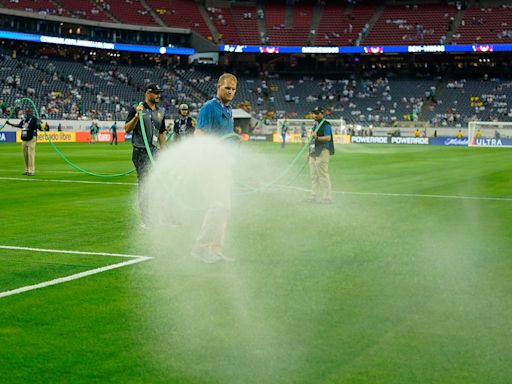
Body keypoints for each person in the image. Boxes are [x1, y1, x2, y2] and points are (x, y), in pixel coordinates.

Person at [192, 73, 238, 263]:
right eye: (227, 87)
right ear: (218, 86)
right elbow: (199, 133)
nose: (230, 91)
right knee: (217, 206)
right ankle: (201, 249)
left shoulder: (228, 109)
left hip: (224, 164)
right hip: (212, 164)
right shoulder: (209, 107)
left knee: (224, 208)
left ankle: (215, 249)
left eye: (233, 89)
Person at [124, 83, 167, 228]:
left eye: (159, 92)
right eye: (155, 93)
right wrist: (136, 116)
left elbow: (161, 132)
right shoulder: (137, 108)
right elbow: (127, 129)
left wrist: (165, 151)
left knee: (158, 183)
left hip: (154, 151)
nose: (158, 95)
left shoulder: (160, 111)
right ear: (147, 93)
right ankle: (146, 219)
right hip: (141, 152)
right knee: (145, 184)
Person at [306, 107, 334, 204]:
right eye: (314, 113)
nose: (315, 115)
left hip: (323, 151)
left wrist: (317, 137)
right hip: (314, 152)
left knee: (323, 175)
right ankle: (314, 196)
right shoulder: (315, 124)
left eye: (317, 113)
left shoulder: (326, 124)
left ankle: (327, 197)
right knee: (314, 176)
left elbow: (328, 138)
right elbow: (312, 139)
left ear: (322, 114)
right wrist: (309, 152)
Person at [5, 108, 42, 176]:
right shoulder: (24, 119)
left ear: (32, 112)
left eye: (30, 111)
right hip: (24, 138)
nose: (28, 113)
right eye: (27, 111)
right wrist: (10, 124)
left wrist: (38, 123)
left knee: (31, 155)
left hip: (32, 138)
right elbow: (19, 126)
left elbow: (40, 128)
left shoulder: (35, 119)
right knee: (25, 155)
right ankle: (27, 170)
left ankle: (31, 171)